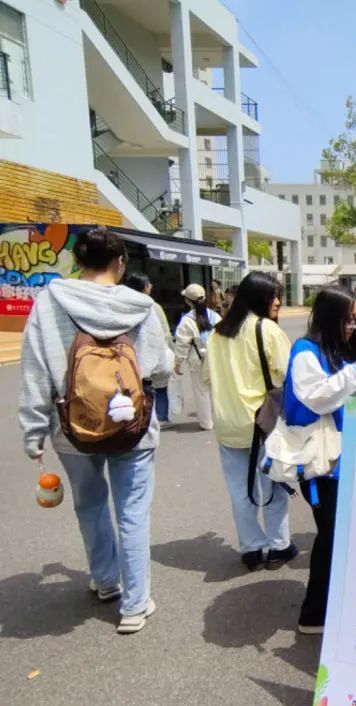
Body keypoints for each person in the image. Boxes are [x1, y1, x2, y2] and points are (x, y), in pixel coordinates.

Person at [19, 228, 173, 633]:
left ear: (78, 262)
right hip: (133, 427)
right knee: (133, 511)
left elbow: (36, 372)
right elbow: (159, 368)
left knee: (90, 506)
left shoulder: (49, 301)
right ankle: (135, 605)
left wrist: (33, 432)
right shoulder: (141, 305)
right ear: (120, 264)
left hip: (72, 428)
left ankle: (106, 581)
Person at [282, 286, 356, 633]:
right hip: (321, 460)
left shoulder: (336, 352)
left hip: (340, 456)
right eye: (348, 320)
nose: (352, 327)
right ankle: (314, 614)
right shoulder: (305, 351)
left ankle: (328, 605)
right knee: (331, 534)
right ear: (330, 317)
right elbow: (317, 399)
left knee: (337, 532)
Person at [206, 271, 296, 571]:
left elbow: (208, 378)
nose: (278, 302)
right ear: (260, 298)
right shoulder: (266, 330)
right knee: (273, 487)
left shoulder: (218, 332)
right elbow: (288, 375)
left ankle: (251, 548)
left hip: (227, 425)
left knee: (239, 491)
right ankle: (278, 545)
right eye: (274, 296)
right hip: (263, 423)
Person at [124, 273, 172, 427]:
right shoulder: (152, 307)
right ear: (145, 287)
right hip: (151, 360)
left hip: (127, 361)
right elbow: (164, 333)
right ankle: (161, 417)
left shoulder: (122, 305)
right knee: (159, 388)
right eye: (149, 284)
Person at [173, 284, 220, 430]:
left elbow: (182, 344)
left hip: (197, 360)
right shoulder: (215, 316)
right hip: (216, 359)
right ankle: (220, 419)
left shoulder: (186, 320)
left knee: (202, 391)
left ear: (188, 300)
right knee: (217, 390)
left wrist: (178, 363)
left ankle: (206, 423)